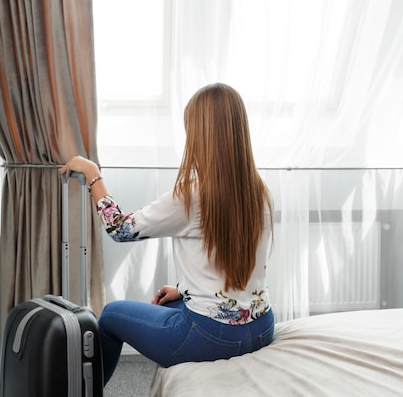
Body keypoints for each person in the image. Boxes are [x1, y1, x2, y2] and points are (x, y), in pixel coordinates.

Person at [59, 83, 275, 384]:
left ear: (200, 136)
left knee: (109, 317)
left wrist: (93, 173)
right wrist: (182, 290)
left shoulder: (190, 196)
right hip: (262, 327)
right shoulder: (259, 191)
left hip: (214, 337)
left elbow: (119, 228)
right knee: (171, 302)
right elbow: (232, 264)